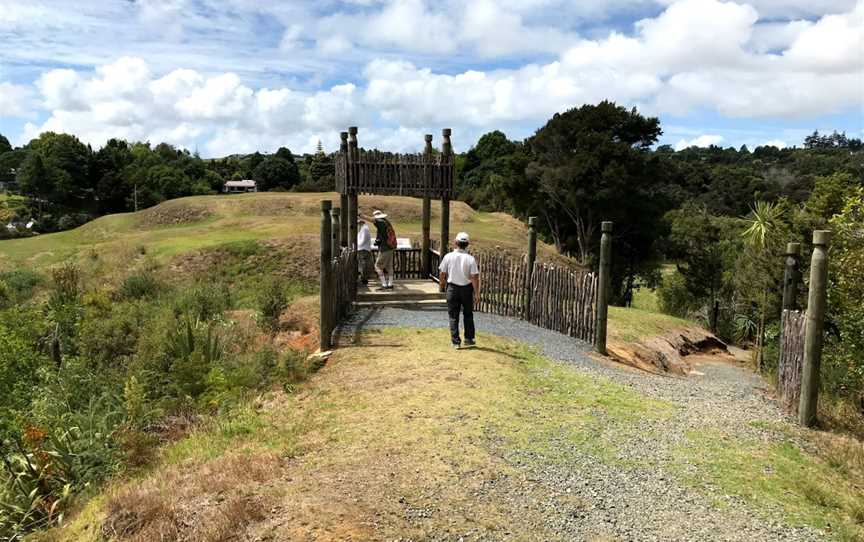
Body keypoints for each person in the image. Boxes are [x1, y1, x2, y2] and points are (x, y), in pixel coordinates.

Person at [438, 232, 480, 349]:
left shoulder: (448, 256)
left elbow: (442, 273)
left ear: (456, 243)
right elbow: (474, 277)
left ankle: (455, 342)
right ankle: (469, 338)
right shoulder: (470, 259)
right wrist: (477, 293)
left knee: (453, 315)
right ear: (467, 244)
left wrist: (442, 284)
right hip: (466, 289)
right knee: (468, 314)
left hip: (452, 288)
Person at [372, 210, 396, 290]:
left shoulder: (380, 222)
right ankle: (390, 284)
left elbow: (372, 220)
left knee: (377, 266)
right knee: (389, 266)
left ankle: (384, 284)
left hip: (384, 249)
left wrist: (361, 215)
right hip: (390, 247)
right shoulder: (387, 222)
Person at [357, 218, 373, 285]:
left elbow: (363, 240)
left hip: (362, 249)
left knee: (363, 265)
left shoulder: (364, 229)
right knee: (364, 264)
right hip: (364, 249)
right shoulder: (364, 228)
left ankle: (364, 279)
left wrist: (357, 245)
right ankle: (364, 278)